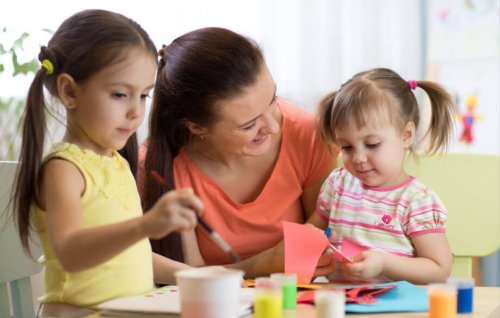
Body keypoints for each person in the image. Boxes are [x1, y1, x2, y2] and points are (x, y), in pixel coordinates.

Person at [11, 9, 204, 317]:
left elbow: (132, 255)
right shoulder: (64, 169)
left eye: (143, 96)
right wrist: (146, 224)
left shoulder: (116, 163)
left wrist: (191, 275)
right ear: (70, 91)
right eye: (119, 94)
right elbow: (72, 252)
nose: (135, 112)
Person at [139, 27, 338, 277]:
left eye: (272, 100)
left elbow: (326, 237)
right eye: (249, 124)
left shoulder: (307, 133)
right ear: (197, 127)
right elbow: (189, 274)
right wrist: (262, 266)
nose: (273, 126)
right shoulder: (161, 165)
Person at [308, 68, 455, 285]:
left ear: (406, 135)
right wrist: (310, 247)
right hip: (339, 304)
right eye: (346, 147)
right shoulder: (338, 184)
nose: (358, 158)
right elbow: (312, 233)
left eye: (372, 144)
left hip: (395, 308)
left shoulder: (416, 201)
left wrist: (385, 263)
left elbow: (439, 269)